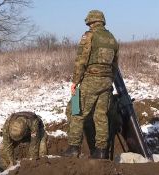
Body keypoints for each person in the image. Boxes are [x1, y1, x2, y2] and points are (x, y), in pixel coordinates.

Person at [63, 10, 119, 159]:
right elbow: (115, 65)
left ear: (90, 22)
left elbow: (81, 61)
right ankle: (101, 151)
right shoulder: (112, 38)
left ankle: (73, 148)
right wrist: (109, 80)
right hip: (106, 82)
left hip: (89, 80)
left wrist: (75, 82)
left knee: (76, 112)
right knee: (101, 116)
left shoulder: (89, 36)